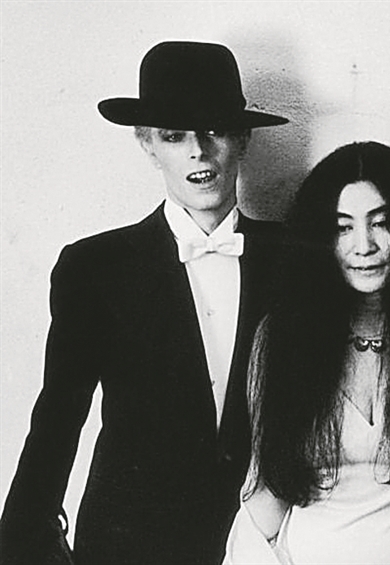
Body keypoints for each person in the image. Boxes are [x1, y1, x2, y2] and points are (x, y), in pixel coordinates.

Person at [0, 41, 287, 565]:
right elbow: (59, 414)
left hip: (262, 541)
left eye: (215, 130)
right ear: (147, 144)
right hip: (129, 544)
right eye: (175, 136)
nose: (198, 151)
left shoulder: (295, 259)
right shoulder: (95, 267)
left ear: (243, 139)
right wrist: (21, 537)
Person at [224, 141, 390, 565]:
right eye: (342, 228)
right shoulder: (283, 337)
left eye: (381, 223)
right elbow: (269, 488)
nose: (364, 245)